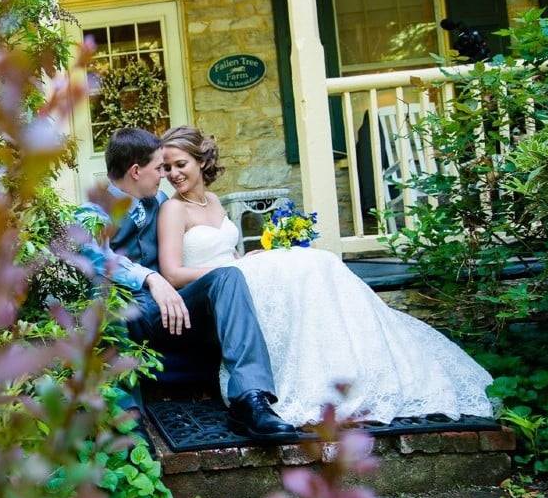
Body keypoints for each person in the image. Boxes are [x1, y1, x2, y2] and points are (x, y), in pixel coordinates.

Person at [154, 125, 495, 426]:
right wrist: (234, 268)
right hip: (210, 294)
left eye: (180, 164)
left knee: (318, 262)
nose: (173, 174)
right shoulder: (173, 208)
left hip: (235, 278)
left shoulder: (212, 201)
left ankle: (351, 372)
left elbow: (225, 252)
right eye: (167, 167)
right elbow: (173, 273)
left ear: (201, 161)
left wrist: (247, 258)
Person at [75, 128, 295, 439]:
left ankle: (250, 400)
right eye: (159, 168)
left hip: (174, 309)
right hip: (134, 312)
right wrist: (150, 277)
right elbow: (91, 252)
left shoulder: (160, 201)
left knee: (228, 275)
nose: (164, 176)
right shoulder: (93, 211)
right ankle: (127, 428)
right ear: (136, 171)